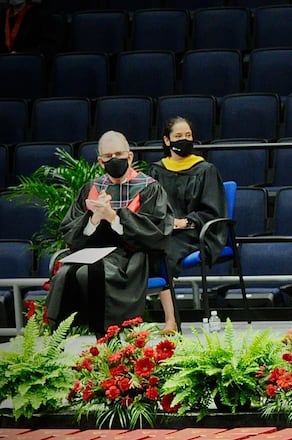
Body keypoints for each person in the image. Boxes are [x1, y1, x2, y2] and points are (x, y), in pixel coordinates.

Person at [46, 131, 173, 336]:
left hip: (130, 257)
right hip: (93, 252)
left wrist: (114, 218)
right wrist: (94, 219)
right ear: (100, 161)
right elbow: (69, 230)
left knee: (88, 274)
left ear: (130, 156)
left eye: (119, 154)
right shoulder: (91, 189)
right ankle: (58, 339)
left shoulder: (149, 188)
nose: (114, 160)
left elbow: (156, 232)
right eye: (108, 156)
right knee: (64, 274)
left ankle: (105, 336)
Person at [148, 116, 227, 334]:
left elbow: (213, 209)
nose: (184, 140)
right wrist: (167, 223)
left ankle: (171, 320)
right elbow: (150, 206)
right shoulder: (156, 170)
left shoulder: (205, 169)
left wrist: (186, 221)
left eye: (188, 136)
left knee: (166, 252)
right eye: (178, 136)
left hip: (196, 232)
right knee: (146, 250)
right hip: (165, 231)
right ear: (167, 140)